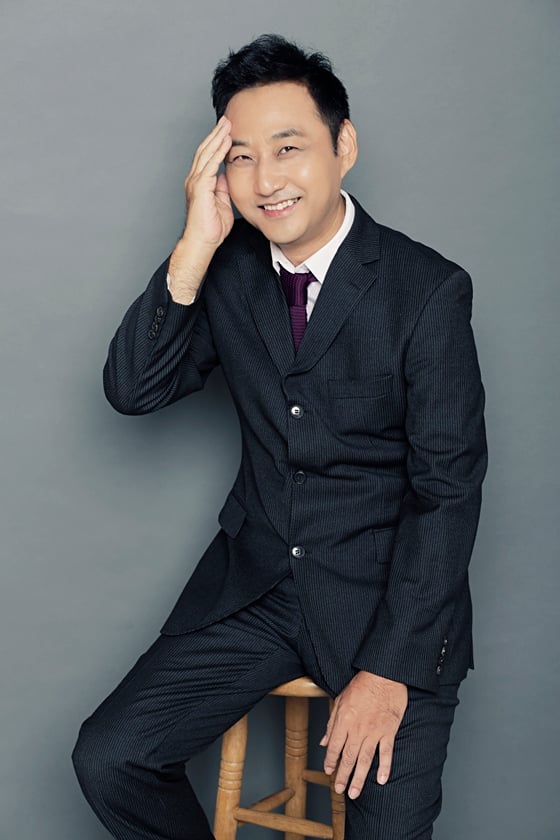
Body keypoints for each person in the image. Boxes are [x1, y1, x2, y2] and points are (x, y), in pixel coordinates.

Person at [72, 33, 487, 840]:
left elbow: (448, 495)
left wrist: (389, 671)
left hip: (387, 606)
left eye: (288, 148)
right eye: (242, 157)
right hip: (256, 591)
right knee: (110, 758)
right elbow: (133, 390)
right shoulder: (227, 269)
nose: (266, 180)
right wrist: (194, 246)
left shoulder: (428, 292)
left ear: (344, 146)